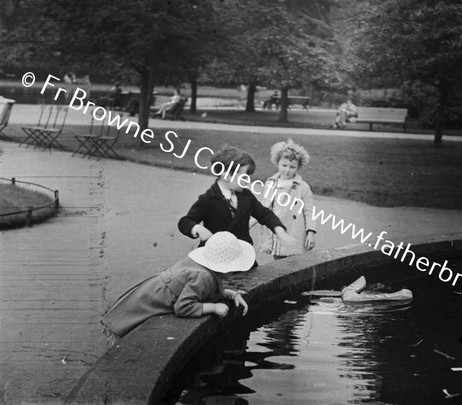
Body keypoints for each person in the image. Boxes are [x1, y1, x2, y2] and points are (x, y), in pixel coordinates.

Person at [101, 231, 254, 340]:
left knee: (113, 329)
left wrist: (231, 294)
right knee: (118, 336)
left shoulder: (202, 267)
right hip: (144, 306)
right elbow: (183, 307)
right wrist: (214, 308)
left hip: (147, 292)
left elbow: (202, 290)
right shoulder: (205, 276)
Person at [178, 146, 297, 255]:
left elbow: (264, 214)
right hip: (214, 254)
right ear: (226, 176)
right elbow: (185, 221)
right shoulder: (208, 199)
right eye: (244, 177)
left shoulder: (246, 196)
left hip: (241, 252)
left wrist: (279, 230)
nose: (247, 181)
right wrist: (197, 228)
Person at [257, 139, 316, 260]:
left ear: (298, 167)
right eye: (284, 165)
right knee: (278, 264)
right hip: (276, 231)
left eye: (292, 167)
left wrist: (311, 232)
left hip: (295, 231)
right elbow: (264, 207)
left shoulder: (303, 187)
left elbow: (309, 212)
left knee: (294, 265)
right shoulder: (271, 183)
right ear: (277, 162)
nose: (288, 170)